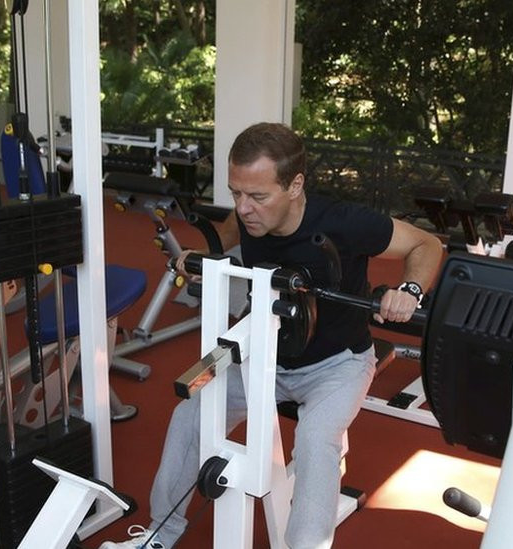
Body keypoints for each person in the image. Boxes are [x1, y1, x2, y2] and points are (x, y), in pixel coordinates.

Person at [101, 122, 443, 549]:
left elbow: (427, 245)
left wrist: (408, 291)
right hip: (262, 352)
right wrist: (206, 255)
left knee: (317, 441)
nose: (244, 208)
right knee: (190, 416)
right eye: (236, 193)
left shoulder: (343, 222)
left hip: (339, 364)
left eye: (258, 196)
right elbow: (230, 227)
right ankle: (158, 535)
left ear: (295, 185)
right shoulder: (249, 214)